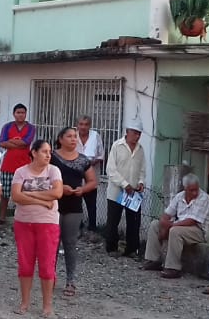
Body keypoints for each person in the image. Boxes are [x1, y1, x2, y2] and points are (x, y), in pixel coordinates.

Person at [12, 140, 63, 316]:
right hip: (24, 222)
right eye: (44, 151)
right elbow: (16, 196)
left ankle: (47, 305)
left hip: (48, 223)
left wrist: (30, 194)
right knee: (25, 263)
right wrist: (41, 200)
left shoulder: (53, 171)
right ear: (34, 153)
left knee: (47, 264)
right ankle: (24, 302)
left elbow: (57, 193)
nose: (48, 155)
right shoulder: (21, 172)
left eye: (50, 152)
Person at [51, 127, 96, 298]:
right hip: (53, 203)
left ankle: (70, 280)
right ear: (60, 138)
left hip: (74, 205)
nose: (73, 139)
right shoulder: (52, 157)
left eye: (75, 137)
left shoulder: (83, 160)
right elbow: (43, 177)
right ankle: (50, 276)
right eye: (69, 136)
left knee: (69, 243)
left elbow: (93, 181)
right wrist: (60, 188)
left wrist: (82, 189)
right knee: (52, 242)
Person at [143, 174, 209, 279]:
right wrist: (163, 225)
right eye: (191, 190)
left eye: (196, 189)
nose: (194, 193)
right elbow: (167, 214)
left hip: (199, 230)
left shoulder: (204, 198)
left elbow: (192, 221)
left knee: (175, 231)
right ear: (185, 189)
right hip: (179, 226)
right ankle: (153, 260)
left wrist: (170, 226)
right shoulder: (180, 196)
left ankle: (173, 268)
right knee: (154, 225)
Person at [104, 123, 146, 258]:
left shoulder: (140, 149)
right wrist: (124, 184)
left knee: (133, 221)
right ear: (127, 132)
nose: (137, 136)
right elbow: (110, 170)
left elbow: (142, 170)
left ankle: (132, 249)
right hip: (117, 191)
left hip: (133, 192)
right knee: (113, 221)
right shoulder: (117, 146)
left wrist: (141, 182)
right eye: (134, 133)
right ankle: (111, 247)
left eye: (139, 133)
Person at [0, 104, 35, 225]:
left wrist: (11, 141)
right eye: (18, 112)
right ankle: (2, 217)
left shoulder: (31, 127)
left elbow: (26, 142)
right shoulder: (7, 127)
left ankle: (23, 217)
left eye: (23, 112)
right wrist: (18, 143)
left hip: (25, 165)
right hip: (8, 165)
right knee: (5, 193)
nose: (20, 115)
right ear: (14, 114)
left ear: (26, 114)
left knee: (25, 192)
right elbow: (2, 143)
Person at [76, 115, 105, 238]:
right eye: (81, 124)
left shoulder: (95, 136)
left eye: (86, 124)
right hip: (76, 175)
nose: (83, 127)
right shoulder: (72, 135)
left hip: (91, 176)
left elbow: (101, 155)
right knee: (76, 203)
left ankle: (92, 229)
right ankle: (78, 227)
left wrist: (91, 163)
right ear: (77, 125)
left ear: (90, 125)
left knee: (91, 203)